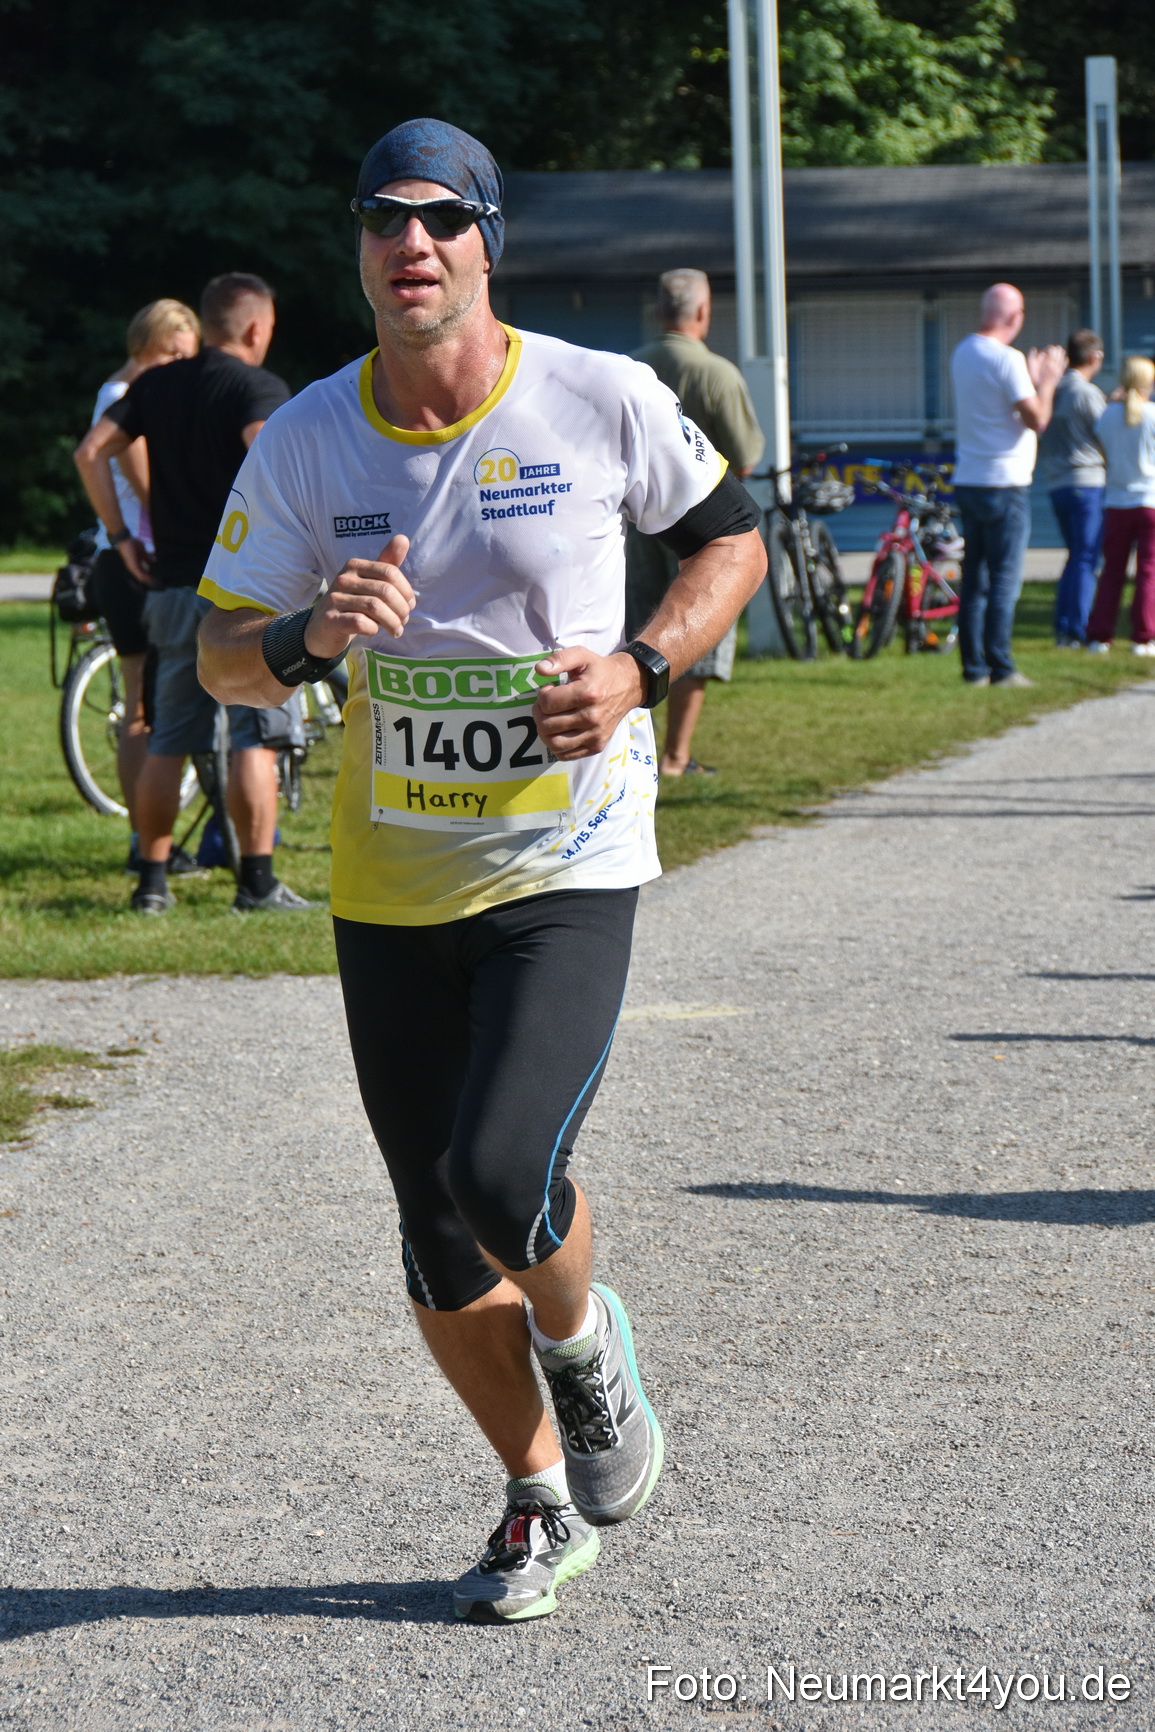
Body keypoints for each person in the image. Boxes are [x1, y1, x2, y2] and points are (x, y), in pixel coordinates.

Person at [196, 119, 766, 1622]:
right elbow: (214, 648)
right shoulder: (311, 437)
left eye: (443, 220)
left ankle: (587, 1355)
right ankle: (532, 1501)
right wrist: (314, 635)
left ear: (484, 241)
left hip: (564, 857)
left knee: (502, 1169)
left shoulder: (598, 395)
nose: (414, 244)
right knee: (437, 1236)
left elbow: (731, 541)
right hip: (390, 881)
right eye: (386, 220)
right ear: (360, 248)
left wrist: (641, 666)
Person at [75, 273, 310, 915]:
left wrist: (122, 536)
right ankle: (255, 883)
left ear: (205, 325)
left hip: (173, 584)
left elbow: (92, 451)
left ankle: (151, 882)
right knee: (253, 733)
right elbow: (269, 455)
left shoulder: (154, 383)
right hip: (245, 593)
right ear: (258, 328)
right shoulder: (257, 388)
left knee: (167, 737)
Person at [628, 268, 764, 774]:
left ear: (658, 312)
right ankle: (676, 756)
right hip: (705, 528)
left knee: (637, 628)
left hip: (636, 527)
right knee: (696, 630)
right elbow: (746, 458)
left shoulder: (628, 368)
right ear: (703, 313)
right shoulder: (719, 374)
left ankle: (635, 750)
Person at [82, 299, 201, 861]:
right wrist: (130, 536)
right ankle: (148, 841)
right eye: (170, 352)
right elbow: (154, 488)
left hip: (123, 556)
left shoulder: (119, 391)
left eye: (187, 355)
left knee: (141, 704)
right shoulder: (128, 400)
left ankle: (145, 838)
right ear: (144, 345)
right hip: (143, 561)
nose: (179, 363)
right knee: (144, 709)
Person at [950, 283, 1066, 687]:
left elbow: (999, 404)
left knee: (975, 579)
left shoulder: (963, 351)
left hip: (971, 478)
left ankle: (974, 668)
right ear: (1015, 318)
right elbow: (1037, 420)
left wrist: (1028, 380)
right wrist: (1048, 380)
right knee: (1003, 580)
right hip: (1006, 483)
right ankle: (1002, 667)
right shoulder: (1009, 358)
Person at [1037, 329, 1107, 646]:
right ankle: (1077, 628)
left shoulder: (1052, 390)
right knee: (1086, 557)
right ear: (1095, 356)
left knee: (1074, 555)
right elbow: (1108, 435)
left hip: (1056, 483)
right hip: (1087, 482)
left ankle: (1063, 626)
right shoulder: (1086, 393)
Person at [1085, 355, 1155, 655]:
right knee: (1148, 571)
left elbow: (1103, 450)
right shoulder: (1152, 414)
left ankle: (1100, 635)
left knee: (1112, 570)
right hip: (1149, 500)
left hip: (1116, 501)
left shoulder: (1107, 416)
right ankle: (1143, 636)